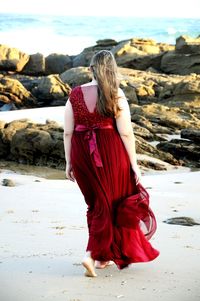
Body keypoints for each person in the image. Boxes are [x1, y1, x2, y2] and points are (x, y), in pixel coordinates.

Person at [63, 50, 159, 277]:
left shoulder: (75, 94)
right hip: (110, 152)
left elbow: (67, 132)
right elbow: (126, 133)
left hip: (81, 153)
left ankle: (103, 256)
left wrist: (69, 162)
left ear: (91, 70)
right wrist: (134, 164)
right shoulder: (115, 93)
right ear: (112, 69)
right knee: (110, 204)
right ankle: (90, 254)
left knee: (96, 204)